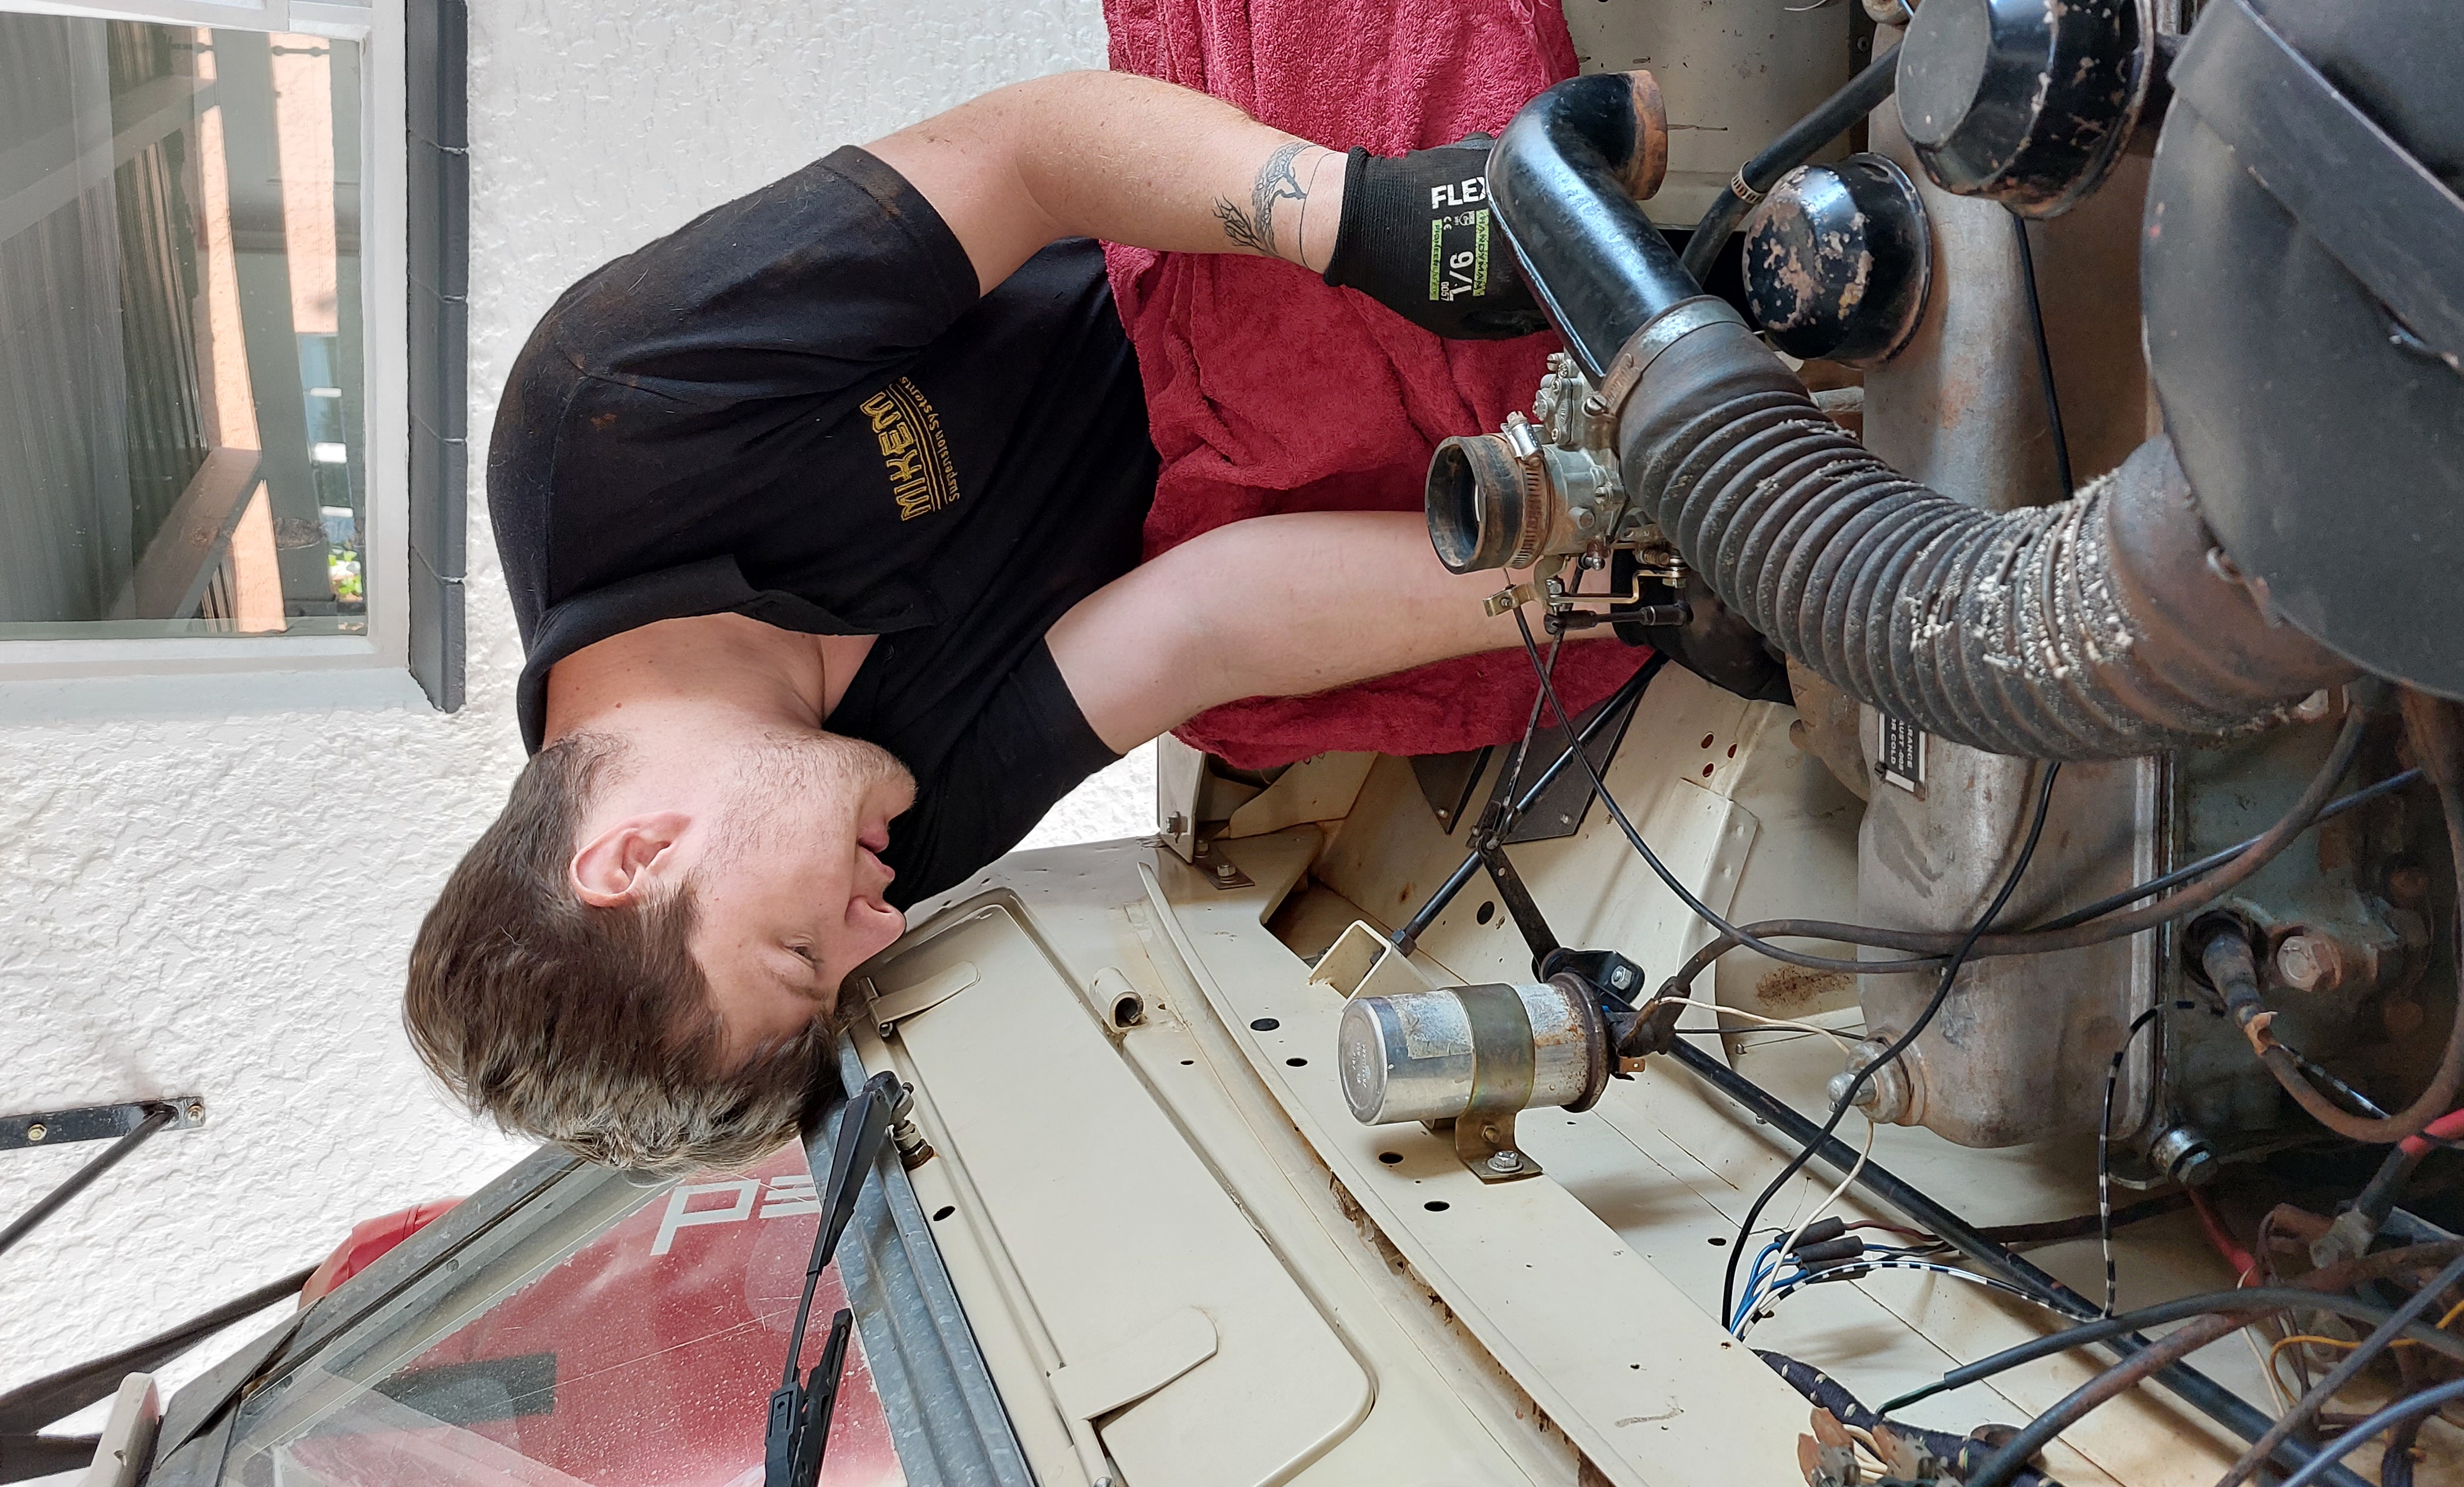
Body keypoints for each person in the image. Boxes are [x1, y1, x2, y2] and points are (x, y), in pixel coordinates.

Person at [405, 69, 1593, 1175]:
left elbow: (1030, 157)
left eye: (801, 956)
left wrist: (1358, 217)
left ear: (638, 857)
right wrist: (1584, 581)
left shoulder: (613, 414)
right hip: (1277, 454)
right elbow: (1198, 629)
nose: (877, 932)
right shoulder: (874, 835)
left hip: (1219, 211)